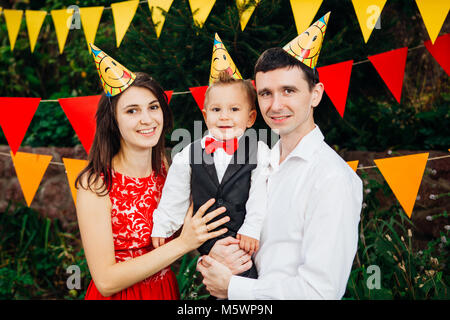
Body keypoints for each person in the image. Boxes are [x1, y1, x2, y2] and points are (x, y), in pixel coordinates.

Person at [197, 13, 364, 299]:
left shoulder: (332, 178)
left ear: (315, 94)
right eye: (265, 93)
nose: (275, 105)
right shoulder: (260, 162)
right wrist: (218, 253)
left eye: (288, 90)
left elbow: (320, 292)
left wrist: (232, 287)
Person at [75, 44, 230, 300]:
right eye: (132, 111)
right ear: (112, 120)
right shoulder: (96, 183)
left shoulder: (164, 168)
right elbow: (105, 281)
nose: (147, 119)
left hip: (164, 291)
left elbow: (190, 229)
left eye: (153, 107)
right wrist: (183, 244)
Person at [151, 70, 270, 281]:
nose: (224, 116)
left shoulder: (259, 151)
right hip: (207, 242)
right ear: (206, 116)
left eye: (234, 109)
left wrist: (252, 228)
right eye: (216, 109)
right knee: (213, 286)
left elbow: (261, 193)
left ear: (250, 117)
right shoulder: (188, 153)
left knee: (245, 284)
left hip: (244, 240)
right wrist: (163, 226)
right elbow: (175, 195)